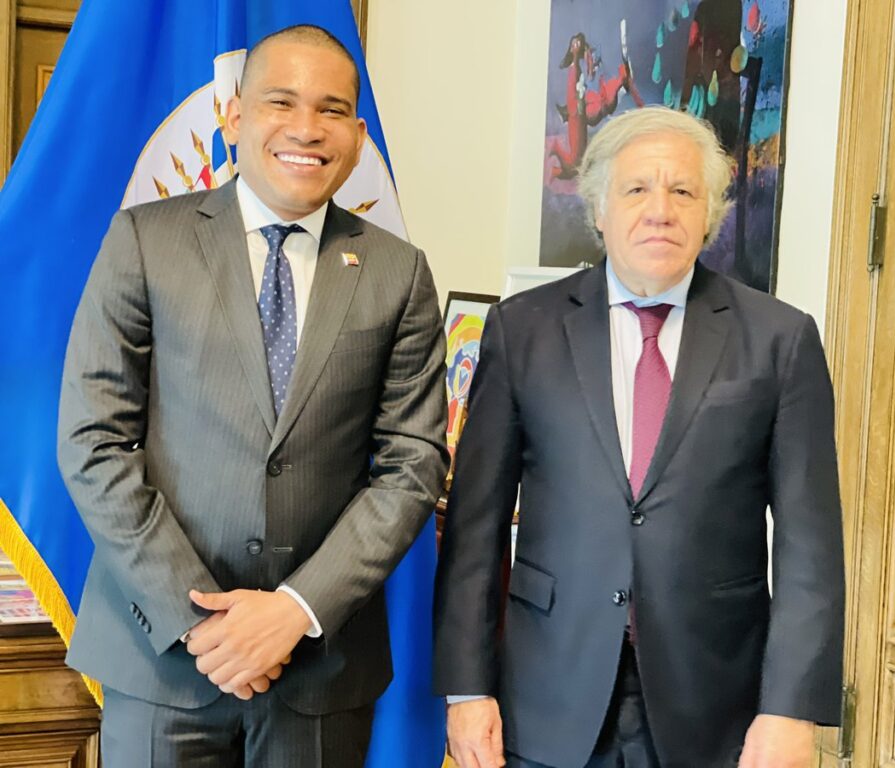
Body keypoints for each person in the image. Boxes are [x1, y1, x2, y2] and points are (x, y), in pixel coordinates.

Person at [57, 24, 448, 768]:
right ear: (233, 116)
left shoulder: (398, 273)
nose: (307, 128)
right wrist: (203, 625)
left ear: (359, 136)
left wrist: (294, 612)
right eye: (281, 102)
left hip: (321, 668)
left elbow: (412, 465)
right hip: (161, 657)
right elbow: (92, 440)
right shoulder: (144, 240)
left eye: (332, 110)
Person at [433, 106, 845, 768]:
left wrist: (791, 710)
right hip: (548, 696)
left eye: (683, 190)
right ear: (598, 208)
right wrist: (466, 690)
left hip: (715, 706)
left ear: (710, 212)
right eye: (636, 189)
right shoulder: (522, 330)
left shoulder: (779, 340)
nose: (661, 210)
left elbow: (811, 547)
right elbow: (474, 530)